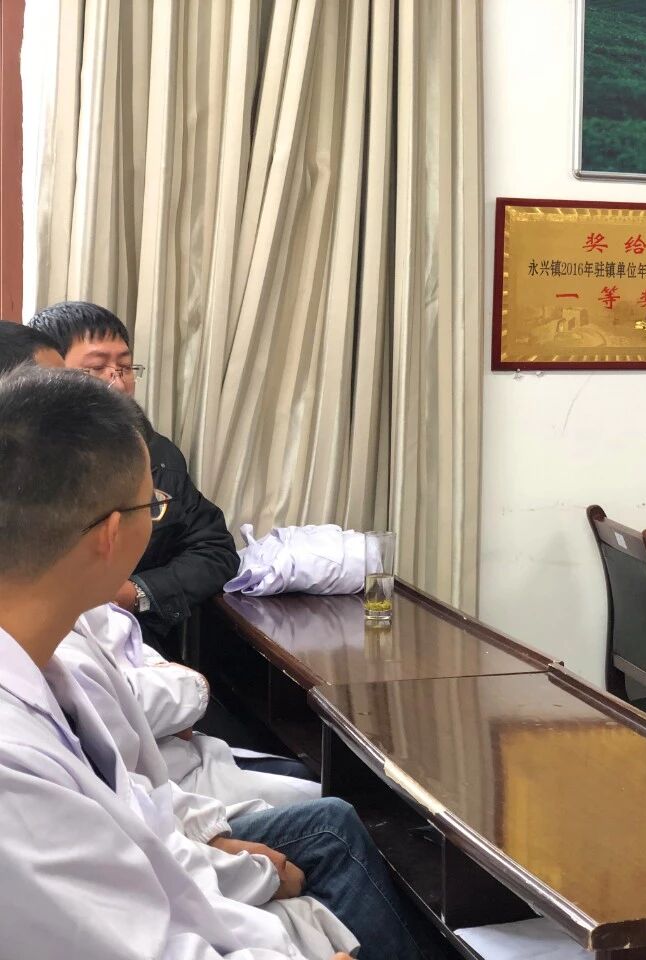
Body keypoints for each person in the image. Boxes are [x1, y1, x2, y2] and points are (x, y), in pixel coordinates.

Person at [0, 368, 434, 958]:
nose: (158, 514)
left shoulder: (44, 659)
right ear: (109, 535)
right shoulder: (14, 766)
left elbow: (137, 808)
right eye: (152, 506)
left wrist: (222, 846)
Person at [29, 300, 239, 647]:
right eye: (96, 368)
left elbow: (214, 549)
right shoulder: (23, 461)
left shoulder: (156, 454)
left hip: (141, 649)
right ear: (48, 373)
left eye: (125, 368)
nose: (118, 383)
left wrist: (135, 592)